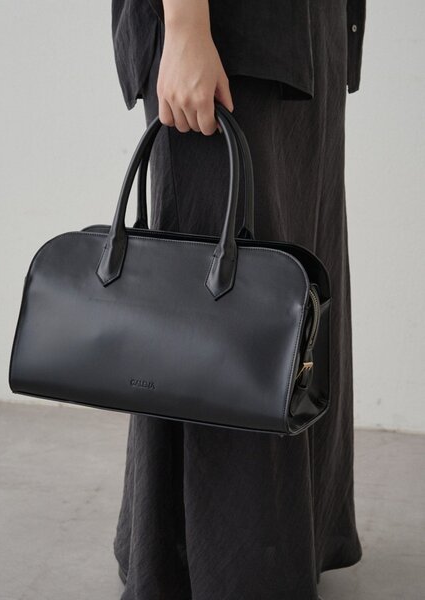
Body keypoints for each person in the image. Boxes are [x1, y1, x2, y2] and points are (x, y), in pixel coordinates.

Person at [110, 1, 366, 598]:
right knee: (222, 315)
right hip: (228, 32)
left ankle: (280, 548)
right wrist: (185, 29)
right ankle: (216, 565)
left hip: (303, 30)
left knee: (290, 294)